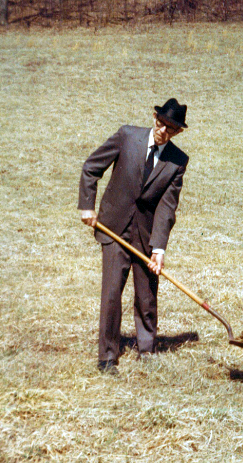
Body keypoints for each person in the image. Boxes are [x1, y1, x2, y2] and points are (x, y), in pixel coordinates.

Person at [78, 98, 189, 374]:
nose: (163, 130)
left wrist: (159, 248)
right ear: (154, 117)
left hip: (146, 233)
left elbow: (167, 207)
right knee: (112, 291)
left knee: (147, 294)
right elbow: (92, 167)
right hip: (113, 226)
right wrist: (87, 206)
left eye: (171, 128)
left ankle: (147, 348)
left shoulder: (177, 161)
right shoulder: (127, 136)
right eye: (161, 123)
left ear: (178, 132)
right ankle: (107, 356)